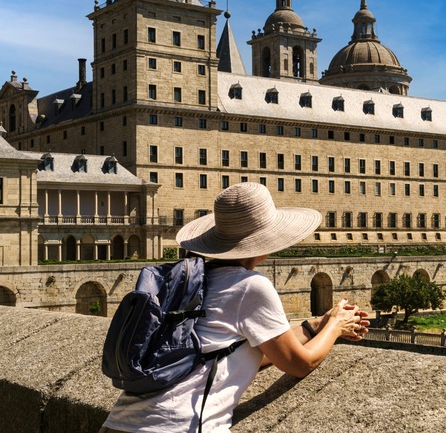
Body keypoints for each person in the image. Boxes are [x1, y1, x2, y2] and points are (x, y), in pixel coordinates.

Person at [101, 182, 370, 432]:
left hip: (119, 423)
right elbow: (300, 364)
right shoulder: (250, 286)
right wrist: (336, 325)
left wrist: (314, 326)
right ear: (266, 241)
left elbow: (246, 354)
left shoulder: (198, 280)